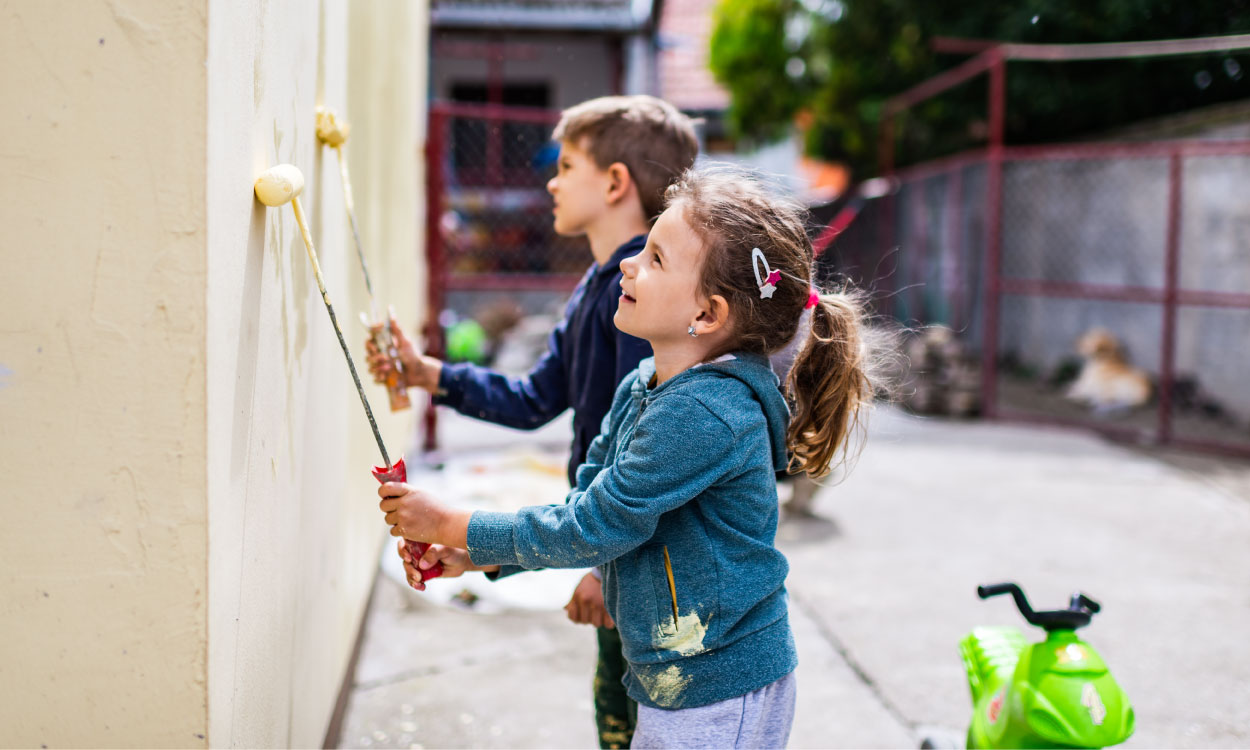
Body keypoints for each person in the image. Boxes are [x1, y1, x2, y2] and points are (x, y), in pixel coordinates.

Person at [379, 164, 879, 748]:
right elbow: (589, 507)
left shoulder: (707, 413)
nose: (628, 263)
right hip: (678, 673)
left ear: (707, 315)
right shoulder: (643, 384)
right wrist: (478, 553)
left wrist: (450, 522)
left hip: (718, 684)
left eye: (657, 259)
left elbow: (594, 526)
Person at [367, 94, 698, 749]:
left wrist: (603, 568)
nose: (551, 179)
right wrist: (428, 373)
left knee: (634, 720)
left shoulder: (638, 299)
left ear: (613, 183)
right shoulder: (600, 285)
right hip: (617, 550)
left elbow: (643, 458)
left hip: (639, 564)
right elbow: (536, 396)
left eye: (566, 163)